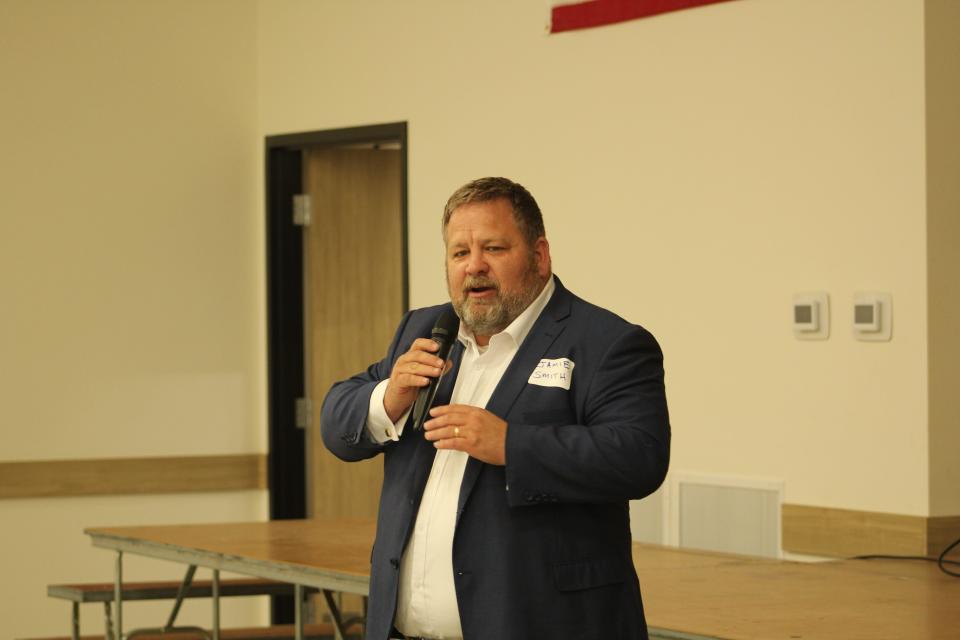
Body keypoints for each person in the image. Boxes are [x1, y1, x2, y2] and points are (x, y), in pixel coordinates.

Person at [321, 177, 670, 640]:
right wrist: (388, 398)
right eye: (459, 253)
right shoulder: (425, 329)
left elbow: (638, 456)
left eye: (494, 249)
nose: (475, 267)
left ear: (539, 255)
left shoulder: (605, 343)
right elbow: (335, 422)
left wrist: (511, 443)